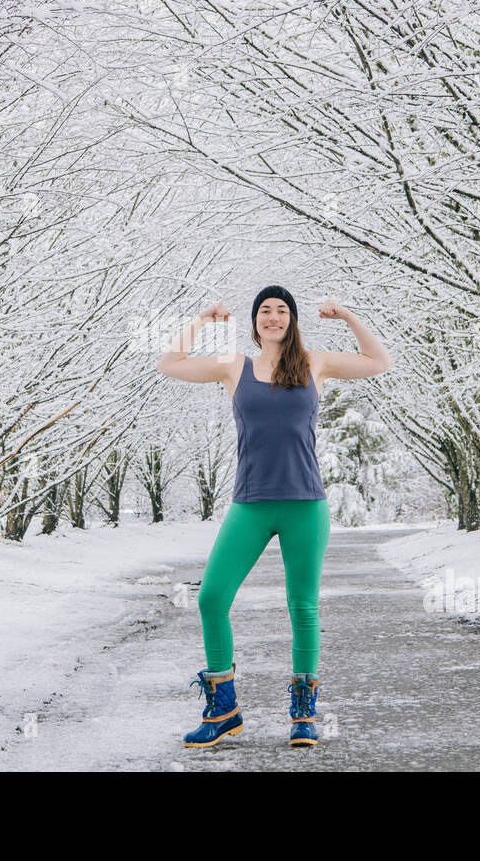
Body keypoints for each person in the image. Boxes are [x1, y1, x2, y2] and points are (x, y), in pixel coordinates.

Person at [156, 285, 393, 748]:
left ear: (292, 319)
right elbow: (169, 364)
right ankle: (224, 710)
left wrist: (345, 314)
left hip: (306, 504)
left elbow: (378, 360)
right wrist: (204, 318)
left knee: (302, 607)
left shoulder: (315, 362)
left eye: (282, 310)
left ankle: (303, 714)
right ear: (255, 321)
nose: (273, 316)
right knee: (211, 597)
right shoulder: (234, 367)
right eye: (265, 310)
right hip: (250, 504)